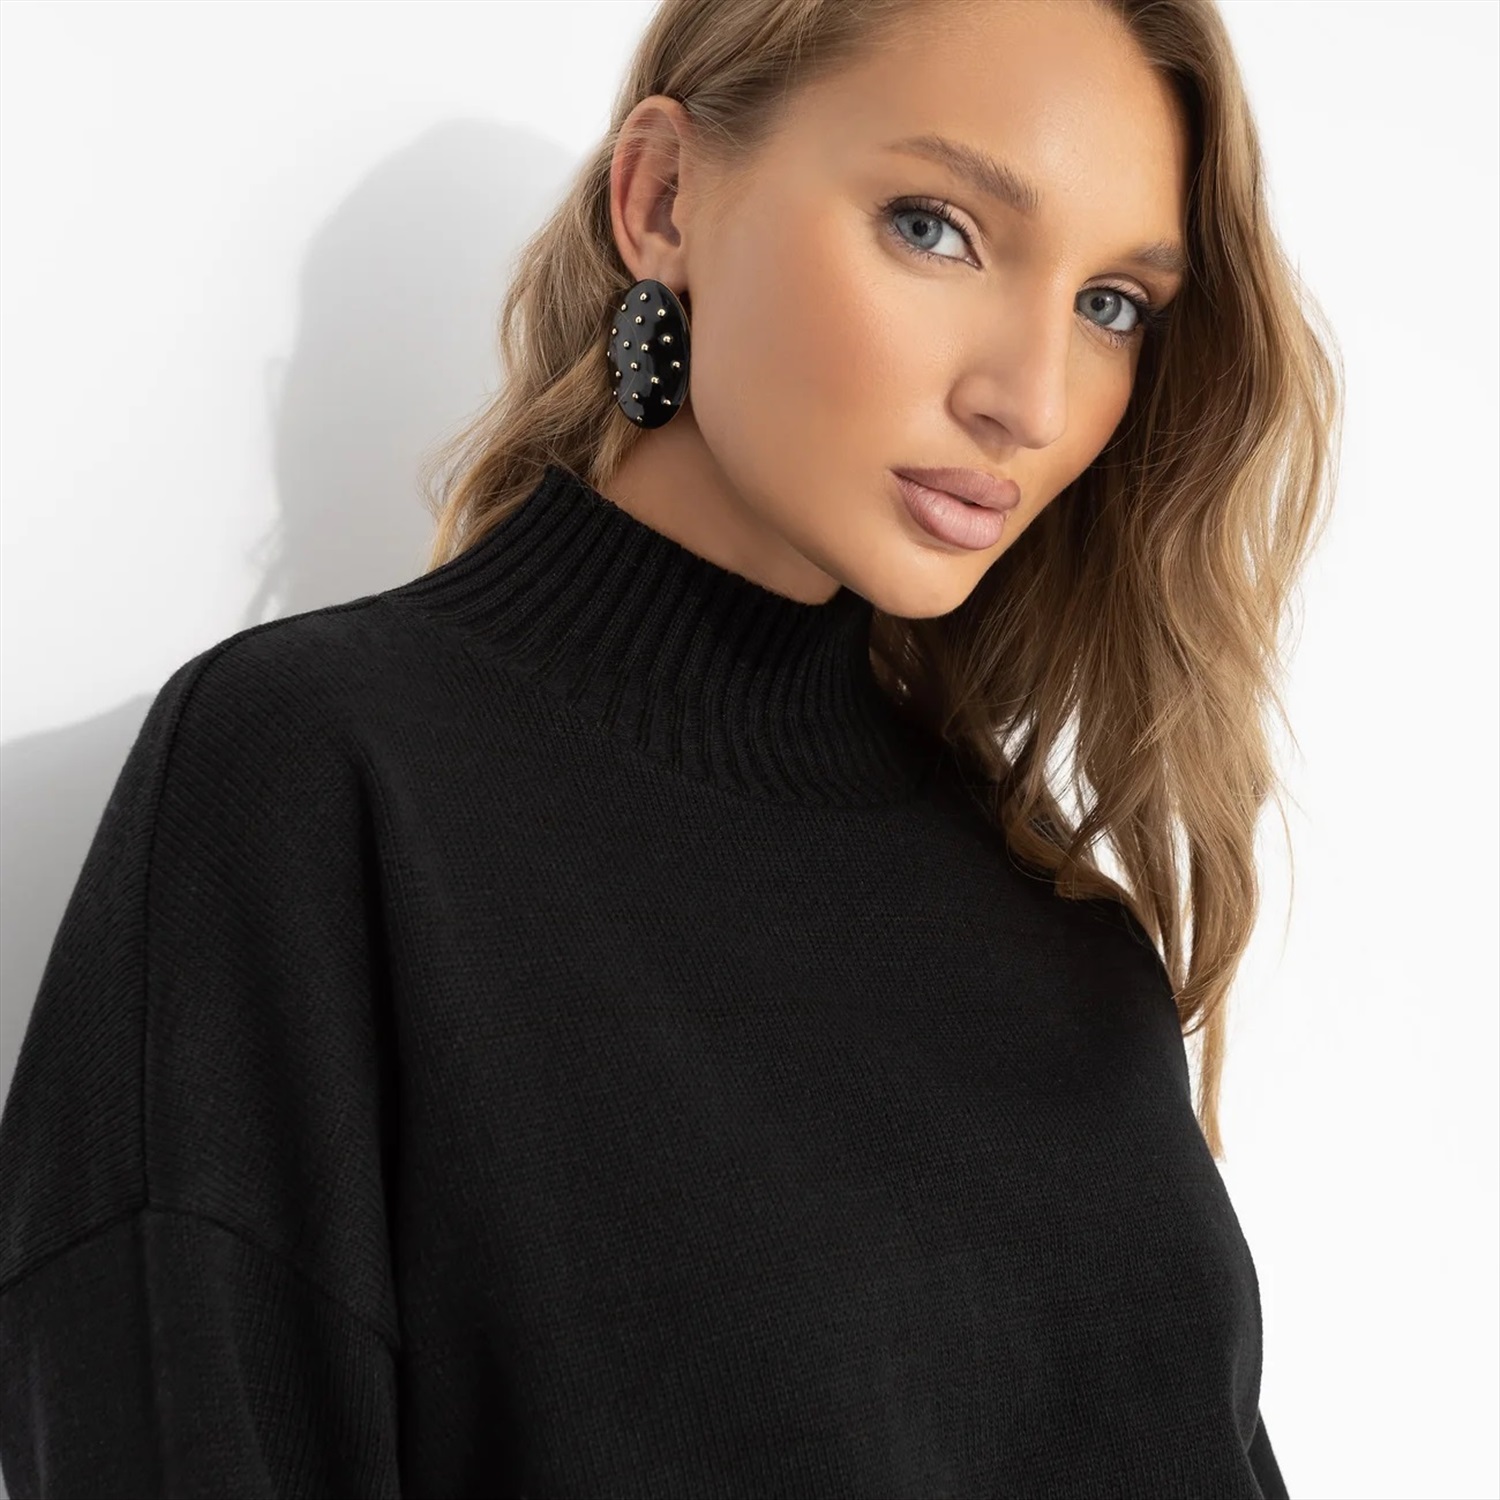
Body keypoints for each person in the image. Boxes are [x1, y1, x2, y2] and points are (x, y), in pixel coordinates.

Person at [0, 0, 1340, 1494]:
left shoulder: (1064, 942)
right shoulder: (322, 783)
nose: (1029, 401)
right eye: (936, 228)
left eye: (1112, 305)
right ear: (662, 198)